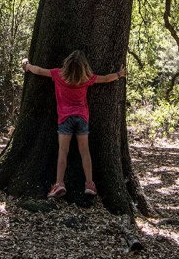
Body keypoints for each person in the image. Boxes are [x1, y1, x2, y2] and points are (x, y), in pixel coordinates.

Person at [22, 50, 127, 199]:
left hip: (65, 119)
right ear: (84, 67)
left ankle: (59, 183)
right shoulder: (86, 78)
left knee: (63, 151)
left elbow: (38, 70)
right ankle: (90, 184)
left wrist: (27, 66)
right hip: (82, 118)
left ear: (67, 64)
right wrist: (119, 74)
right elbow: (105, 79)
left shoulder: (58, 75)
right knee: (85, 152)